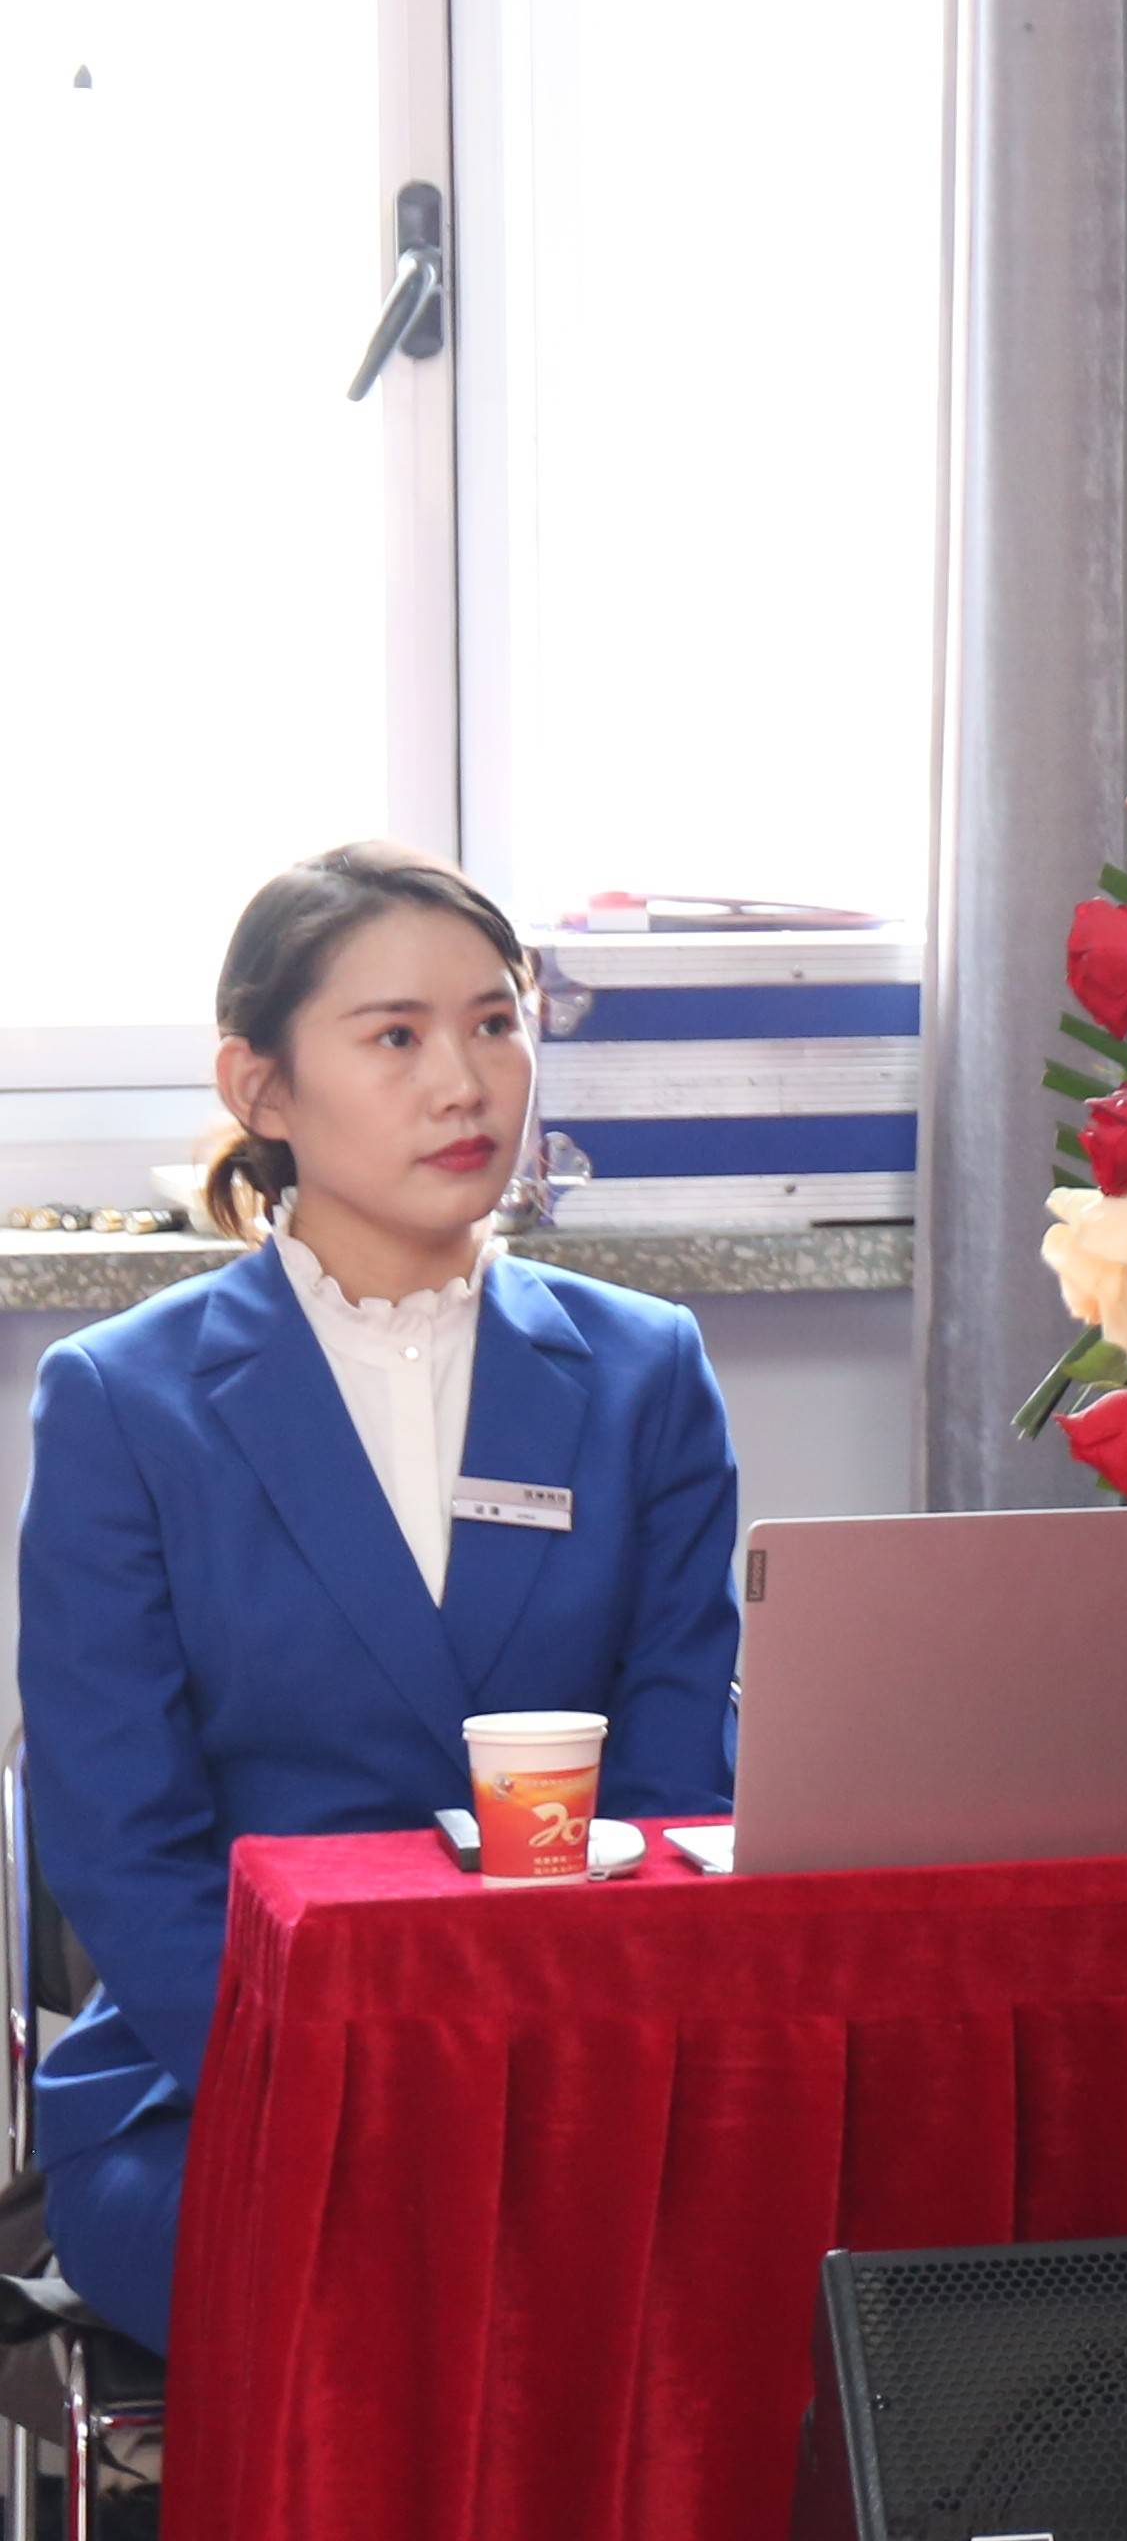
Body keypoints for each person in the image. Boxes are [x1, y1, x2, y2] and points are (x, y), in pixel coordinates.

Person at [16, 846, 742, 2351]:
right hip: (223, 2080)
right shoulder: (124, 1400)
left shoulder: (646, 1370)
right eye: (396, 1035)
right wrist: (334, 2078)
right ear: (262, 1087)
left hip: (581, 2061)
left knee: (733, 2249)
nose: (464, 1083)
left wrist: (564, 2072)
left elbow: (679, 1789)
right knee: (394, 2264)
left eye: (494, 1023)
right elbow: (118, 1839)